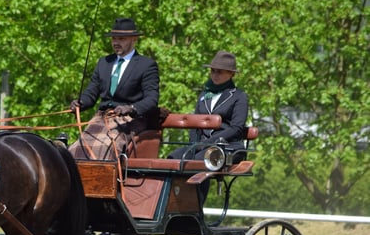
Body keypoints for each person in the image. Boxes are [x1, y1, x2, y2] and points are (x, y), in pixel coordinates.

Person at [68, 17, 160, 160]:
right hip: (101, 118)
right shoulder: (104, 62)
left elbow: (152, 98)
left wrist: (131, 108)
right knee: (75, 149)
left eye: (121, 39)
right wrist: (80, 103)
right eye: (113, 39)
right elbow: (91, 93)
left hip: (129, 120)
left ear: (134, 39)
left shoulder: (146, 65)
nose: (116, 43)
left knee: (106, 148)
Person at [167, 50, 249, 162]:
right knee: (173, 158)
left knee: (197, 161)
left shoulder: (239, 96)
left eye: (219, 72)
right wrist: (194, 144)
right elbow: (195, 123)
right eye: (212, 71)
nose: (214, 75)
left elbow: (236, 128)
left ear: (231, 74)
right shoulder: (205, 94)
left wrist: (207, 143)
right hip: (201, 146)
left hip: (228, 146)